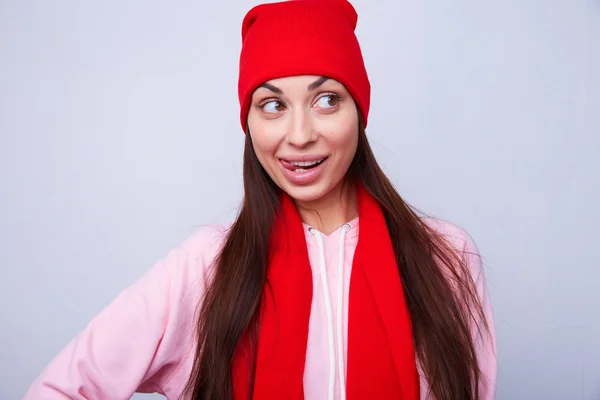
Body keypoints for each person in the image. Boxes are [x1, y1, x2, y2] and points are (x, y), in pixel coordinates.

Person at [24, 0, 497, 399]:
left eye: (327, 99)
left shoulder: (446, 256)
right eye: (272, 105)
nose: (300, 135)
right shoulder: (208, 265)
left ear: (360, 109)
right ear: (249, 123)